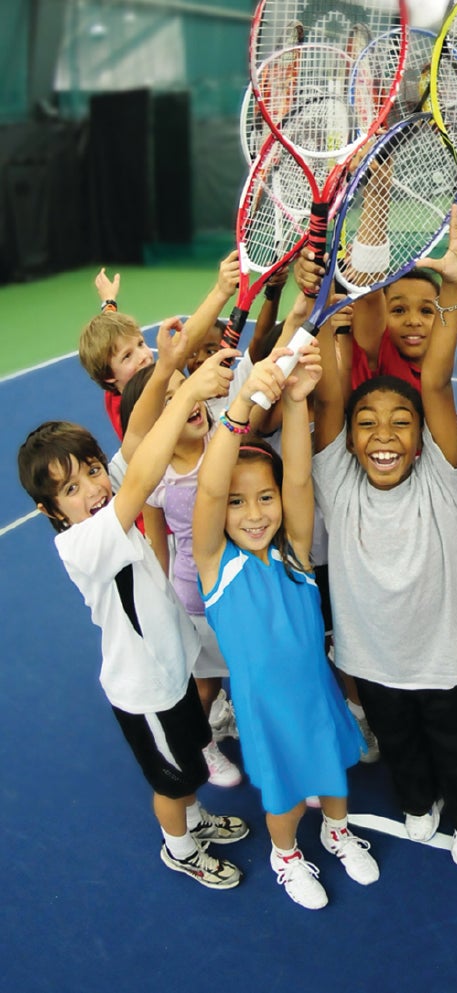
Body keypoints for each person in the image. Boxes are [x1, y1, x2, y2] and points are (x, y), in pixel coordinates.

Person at [17, 337, 249, 890]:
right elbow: (142, 478)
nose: (94, 487)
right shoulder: (83, 542)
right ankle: (180, 849)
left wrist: (167, 367)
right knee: (174, 780)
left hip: (173, 669)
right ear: (51, 510)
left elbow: (139, 436)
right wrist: (186, 393)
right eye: (72, 488)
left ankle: (195, 820)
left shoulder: (105, 500)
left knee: (190, 760)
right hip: (145, 692)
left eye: (94, 470)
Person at [311, 201, 457, 868]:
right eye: (367, 424)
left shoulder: (442, 485)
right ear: (348, 441)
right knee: (400, 744)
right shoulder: (338, 485)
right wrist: (321, 316)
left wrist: (455, 289)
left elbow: (437, 383)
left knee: (455, 744)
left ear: (422, 440)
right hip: (373, 661)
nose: (382, 435)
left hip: (443, 660)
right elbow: (330, 400)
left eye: (400, 423)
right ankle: (419, 802)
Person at [192, 322, 378, 910]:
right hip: (265, 713)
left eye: (264, 498)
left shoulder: (294, 552)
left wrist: (297, 401)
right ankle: (286, 855)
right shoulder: (216, 567)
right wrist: (241, 411)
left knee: (333, 776)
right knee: (285, 800)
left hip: (316, 695)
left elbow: (298, 476)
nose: (254, 514)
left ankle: (338, 832)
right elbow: (208, 491)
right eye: (238, 503)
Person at [118, 337, 243, 789]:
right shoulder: (157, 479)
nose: (186, 404)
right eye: (168, 402)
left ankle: (262, 732)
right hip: (196, 597)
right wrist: (164, 604)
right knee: (206, 683)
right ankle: (204, 743)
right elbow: (158, 544)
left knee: (251, 671)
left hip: (245, 583)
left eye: (184, 389)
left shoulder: (225, 438)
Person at [81, 253, 241, 438]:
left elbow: (110, 334)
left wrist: (109, 303)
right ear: (109, 376)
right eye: (127, 356)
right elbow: (183, 344)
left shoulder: (115, 377)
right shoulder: (133, 410)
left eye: (141, 344)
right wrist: (220, 292)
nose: (144, 356)